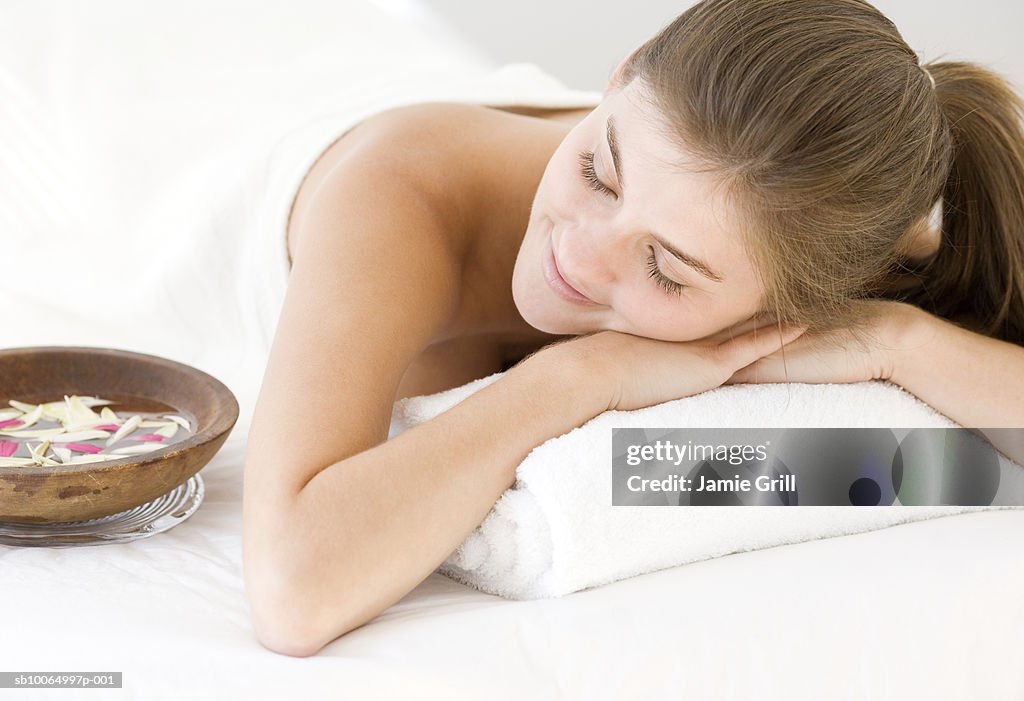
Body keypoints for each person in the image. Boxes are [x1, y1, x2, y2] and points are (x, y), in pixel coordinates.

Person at [242, 0, 1024, 656]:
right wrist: (574, 379)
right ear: (622, 74)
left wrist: (895, 342)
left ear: (793, 312)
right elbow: (292, 589)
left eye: (666, 270)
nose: (577, 255)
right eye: (597, 171)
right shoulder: (397, 194)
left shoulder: (807, 231)